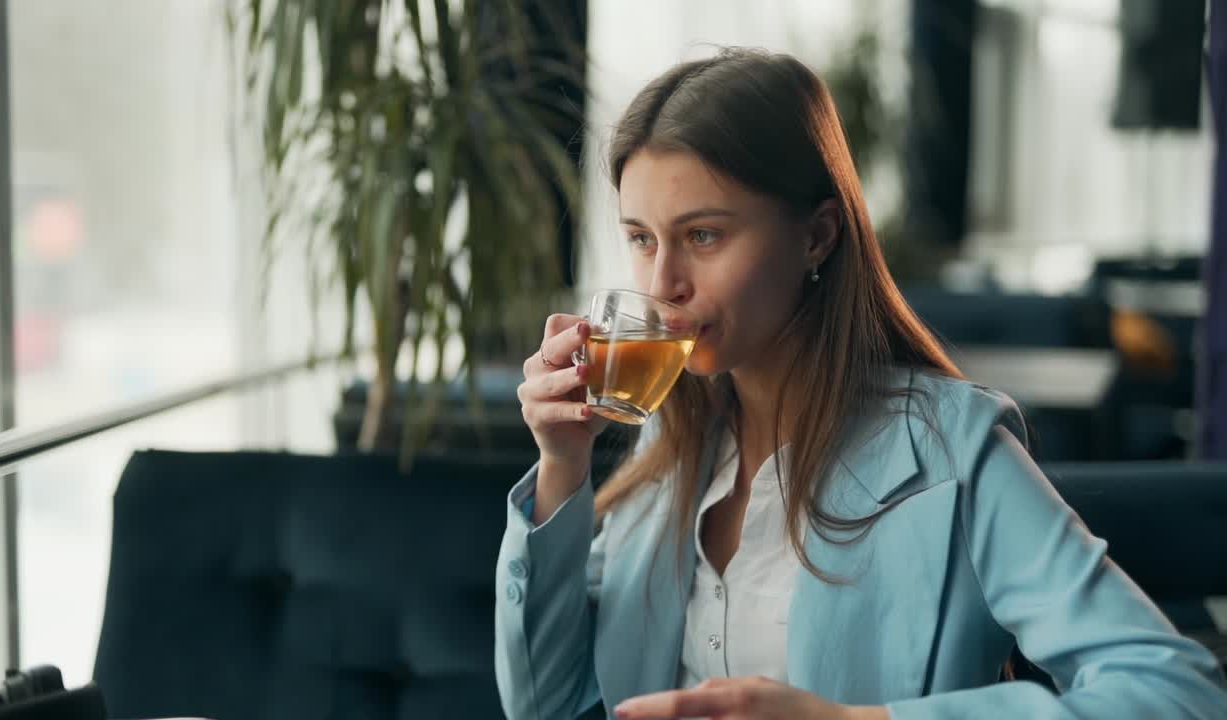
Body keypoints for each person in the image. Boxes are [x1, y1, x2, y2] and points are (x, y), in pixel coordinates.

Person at [496, 47, 1227, 720]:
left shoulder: (951, 451)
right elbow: (547, 704)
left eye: (705, 235)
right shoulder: (667, 447)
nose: (664, 284)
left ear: (817, 236)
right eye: (641, 238)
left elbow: (1173, 690)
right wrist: (562, 465)